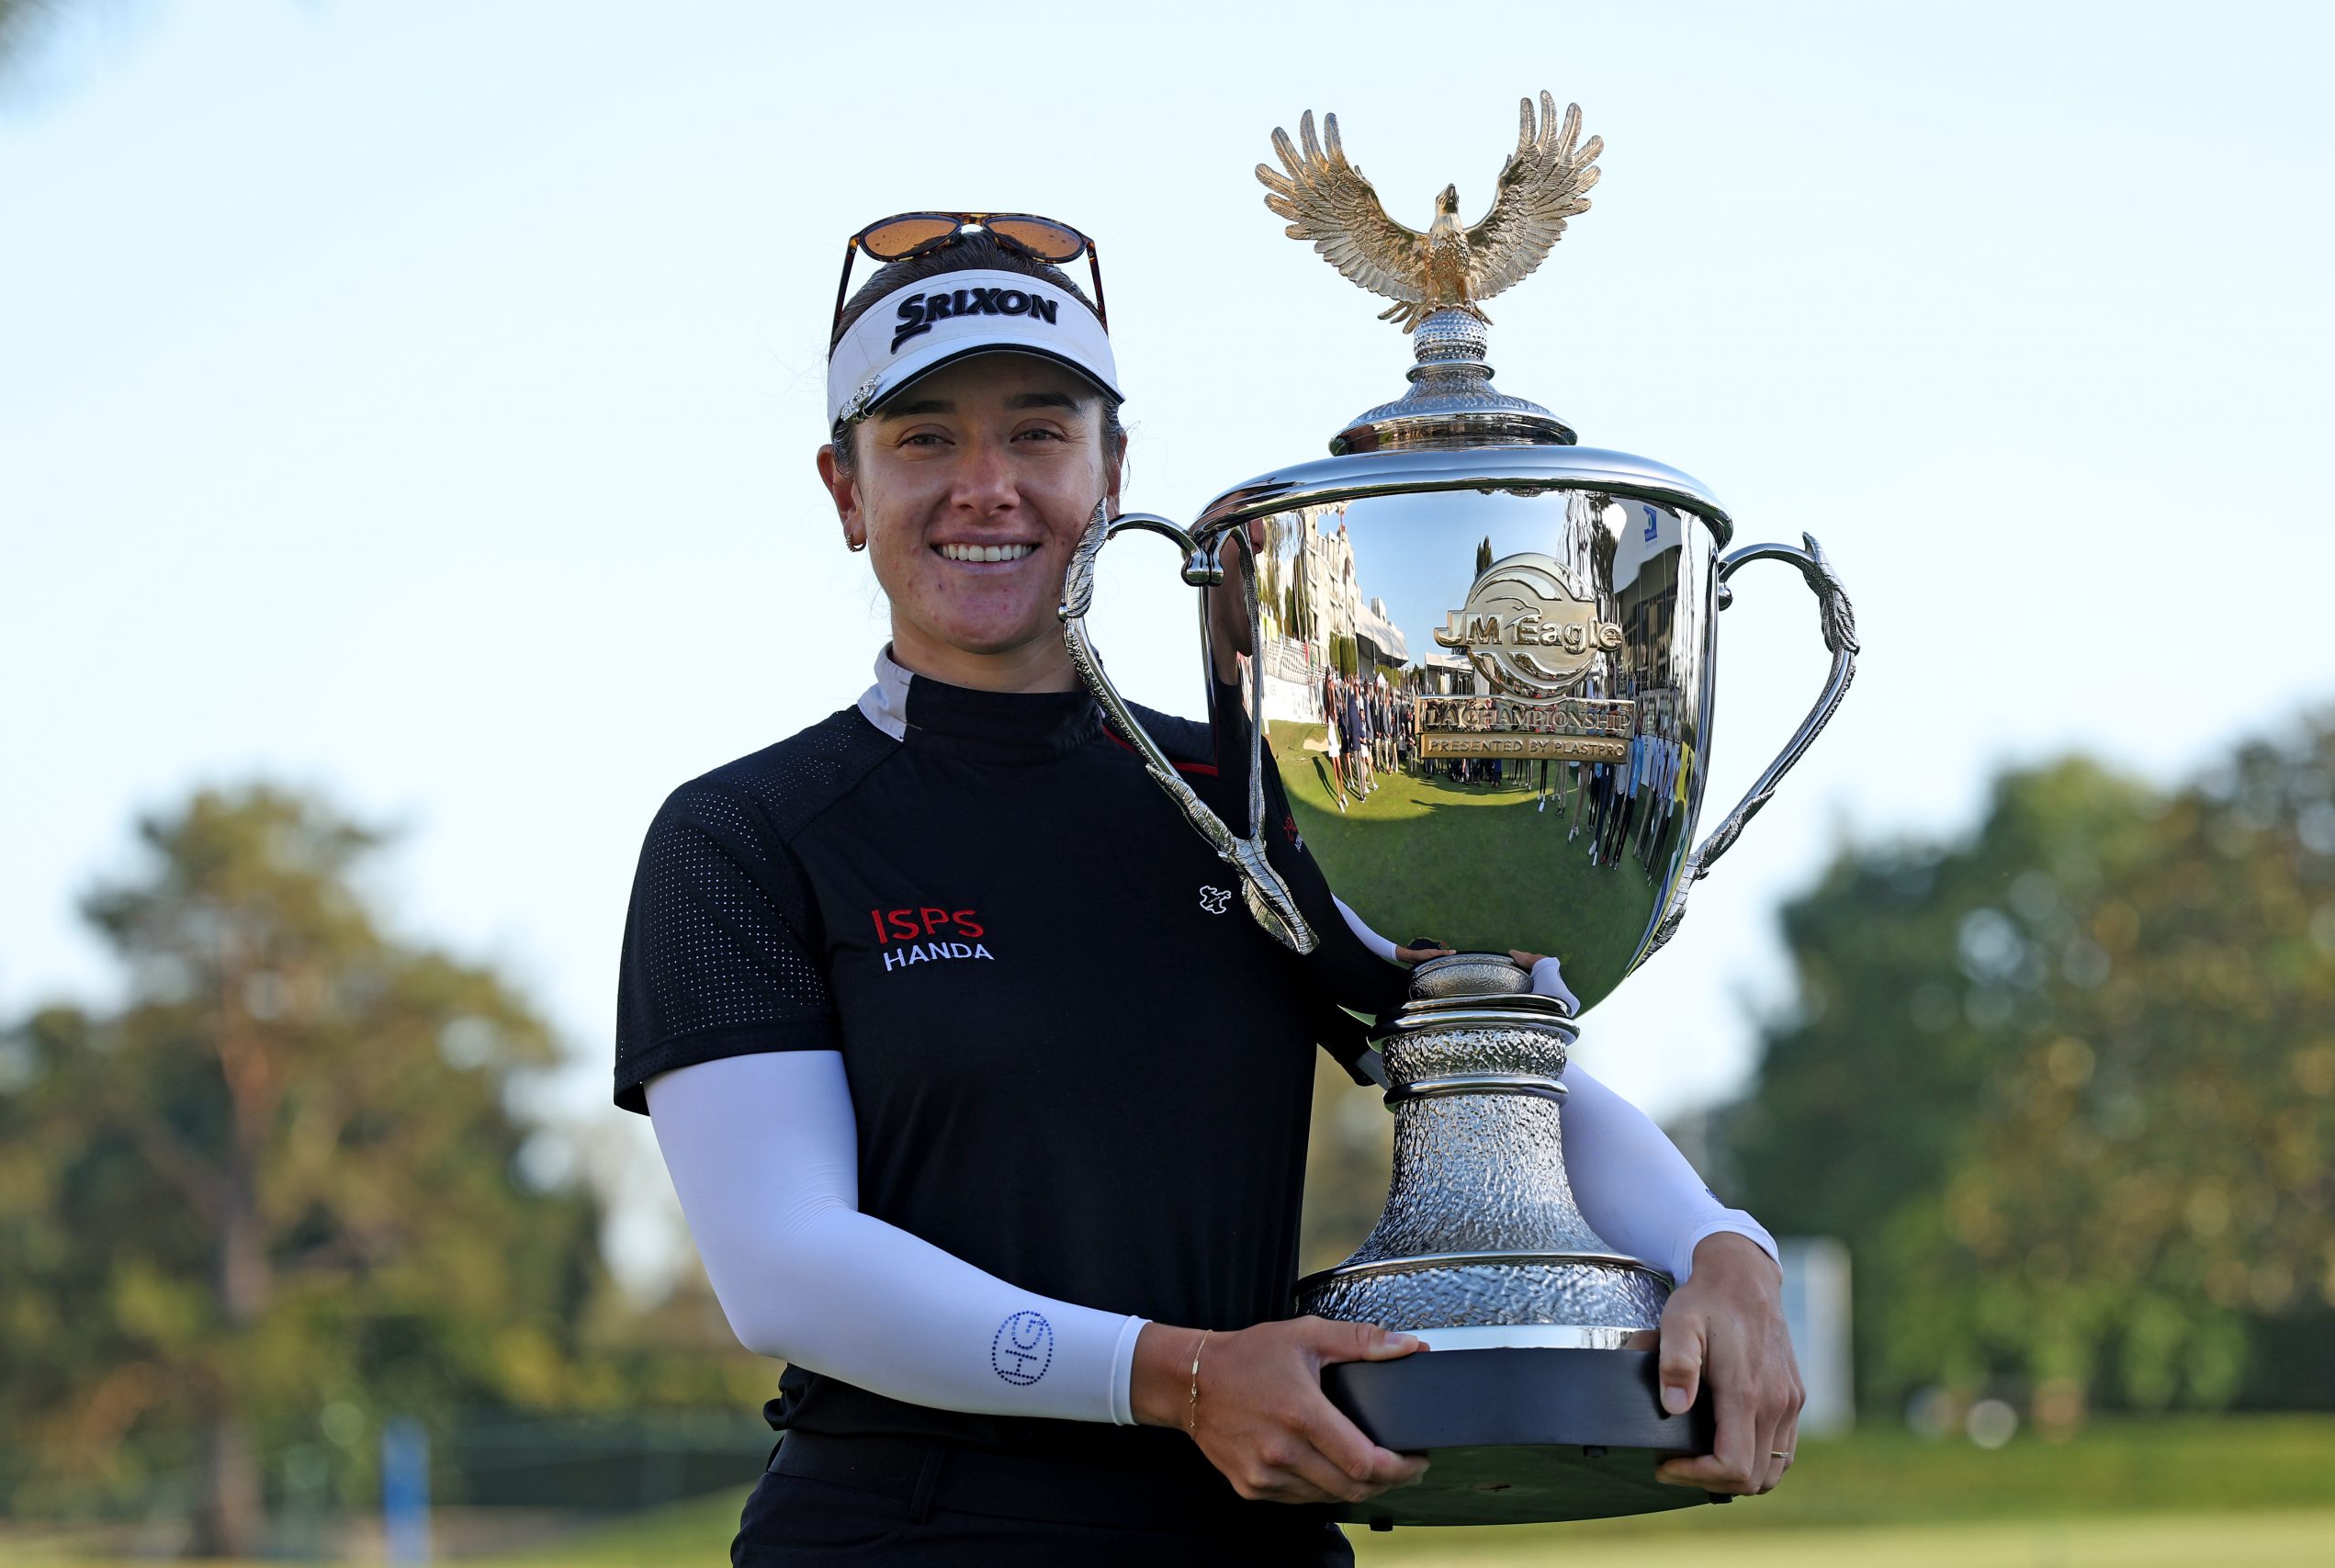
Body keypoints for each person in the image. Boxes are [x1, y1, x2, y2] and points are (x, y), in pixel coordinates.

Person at [615, 217, 1802, 1567]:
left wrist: (1723, 1250)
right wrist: (1180, 1378)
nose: (986, 486)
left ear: (1114, 472)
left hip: (1249, 1535)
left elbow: (1477, 1061)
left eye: (1040, 433)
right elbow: (787, 1268)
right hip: (909, 1532)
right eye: (924, 438)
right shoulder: (745, 836)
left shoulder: (1249, 790)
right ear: (845, 491)